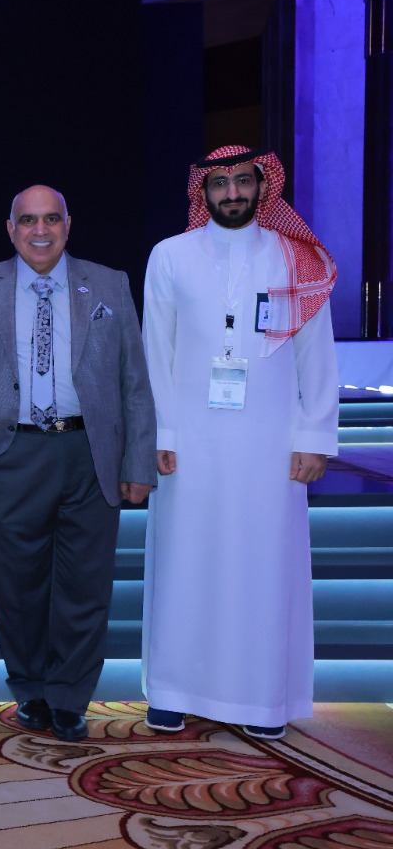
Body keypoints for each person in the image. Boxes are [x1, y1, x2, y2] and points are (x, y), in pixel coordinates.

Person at [0, 185, 155, 742]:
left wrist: (138, 461)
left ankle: (69, 696)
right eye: (28, 220)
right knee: (17, 586)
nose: (41, 231)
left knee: (86, 585)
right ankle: (30, 689)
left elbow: (134, 380)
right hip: (11, 455)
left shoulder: (109, 284)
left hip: (90, 453)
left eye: (51, 219)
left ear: (68, 225)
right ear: (10, 229)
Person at [141, 146, 338, 740]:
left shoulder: (296, 258)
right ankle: (172, 691)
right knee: (183, 563)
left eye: (243, 181)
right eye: (220, 183)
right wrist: (163, 431)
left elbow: (316, 354)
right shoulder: (170, 255)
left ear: (262, 186)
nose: (232, 193)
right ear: (203, 191)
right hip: (190, 443)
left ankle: (261, 700)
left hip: (270, 444)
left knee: (263, 567)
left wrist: (314, 436)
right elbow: (157, 351)